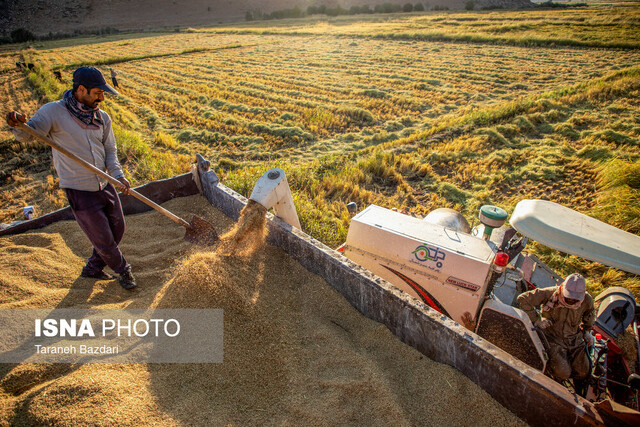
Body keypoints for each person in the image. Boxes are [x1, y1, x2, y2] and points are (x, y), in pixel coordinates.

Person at [6, 66, 137, 290]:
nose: (102, 98)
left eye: (103, 93)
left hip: (105, 183)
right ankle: (124, 271)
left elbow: (110, 151)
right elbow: (28, 134)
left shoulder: (102, 117)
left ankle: (92, 269)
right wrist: (17, 124)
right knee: (104, 239)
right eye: (97, 93)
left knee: (118, 229)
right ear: (81, 90)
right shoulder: (53, 112)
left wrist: (118, 176)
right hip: (79, 189)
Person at [517, 273, 595, 383]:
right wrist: (538, 320)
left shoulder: (587, 300)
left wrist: (587, 331)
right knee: (563, 373)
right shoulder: (550, 293)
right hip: (552, 338)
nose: (571, 301)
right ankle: (552, 376)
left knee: (584, 372)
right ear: (563, 290)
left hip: (574, 339)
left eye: (575, 299)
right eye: (569, 297)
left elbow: (590, 314)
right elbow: (523, 299)